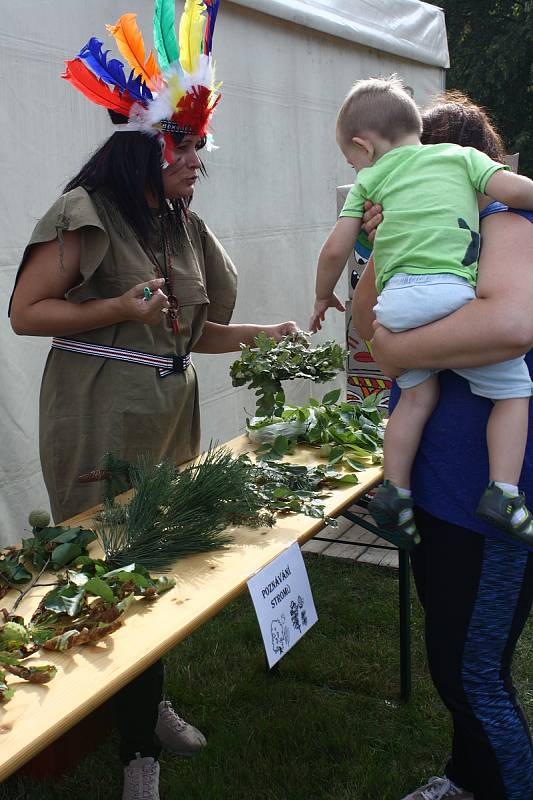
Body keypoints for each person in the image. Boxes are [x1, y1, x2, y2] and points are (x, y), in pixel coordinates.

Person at [9, 3, 296, 798]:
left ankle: (147, 702)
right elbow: (26, 313)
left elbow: (187, 334)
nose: (199, 158)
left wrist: (259, 335)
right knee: (115, 565)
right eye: (185, 143)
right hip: (99, 417)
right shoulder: (86, 213)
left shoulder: (180, 224)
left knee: (158, 565)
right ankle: (137, 748)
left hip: (169, 414)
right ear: (144, 146)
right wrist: (117, 308)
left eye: (200, 143)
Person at [353, 92, 533, 800]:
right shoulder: (421, 238)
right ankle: (468, 778)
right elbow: (366, 326)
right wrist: (378, 246)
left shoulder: (505, 222)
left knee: (471, 673)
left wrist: (396, 348)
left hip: (483, 500)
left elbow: (509, 326)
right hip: (441, 491)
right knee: (456, 661)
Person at [309, 76, 533, 547]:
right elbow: (516, 190)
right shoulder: (459, 165)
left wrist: (328, 299)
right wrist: (384, 237)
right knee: (512, 389)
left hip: (401, 309)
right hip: (444, 299)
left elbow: (340, 263)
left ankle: (394, 490)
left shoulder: (380, 177)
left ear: (363, 146)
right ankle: (505, 493)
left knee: (416, 397)